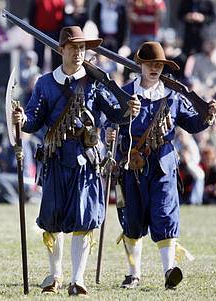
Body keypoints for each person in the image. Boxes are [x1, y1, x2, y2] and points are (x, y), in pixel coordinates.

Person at [12, 26, 140, 296]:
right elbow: (34, 120)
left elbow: (114, 114)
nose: (79, 53)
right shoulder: (45, 83)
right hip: (55, 159)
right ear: (61, 50)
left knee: (84, 220)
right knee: (52, 220)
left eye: (82, 48)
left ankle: (78, 278)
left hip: (86, 160)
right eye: (73, 48)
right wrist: (22, 120)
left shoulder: (95, 82)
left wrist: (129, 111)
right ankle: (54, 274)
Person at [106, 41, 216, 290]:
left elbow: (193, 123)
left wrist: (209, 115)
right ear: (141, 65)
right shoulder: (125, 92)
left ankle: (169, 270)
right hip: (132, 164)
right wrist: (113, 129)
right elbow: (111, 121)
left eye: (159, 64)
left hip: (165, 166)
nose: (155, 68)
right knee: (132, 220)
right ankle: (133, 273)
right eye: (150, 64)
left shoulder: (174, 96)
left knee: (165, 215)